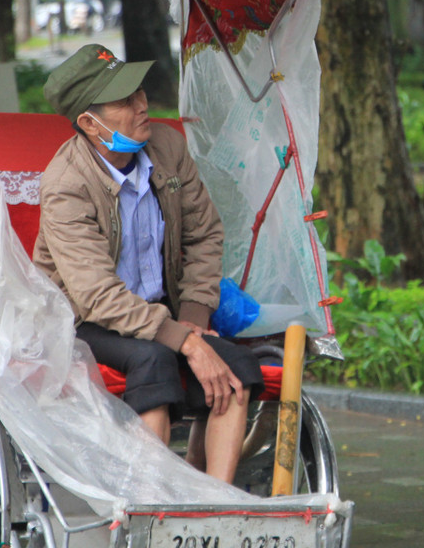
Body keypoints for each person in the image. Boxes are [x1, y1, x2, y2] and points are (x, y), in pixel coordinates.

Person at [33, 44, 262, 483]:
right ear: (89, 123)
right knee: (154, 360)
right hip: (86, 321)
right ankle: (150, 503)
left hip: (164, 313)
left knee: (235, 369)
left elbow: (204, 233)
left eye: (140, 93)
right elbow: (96, 296)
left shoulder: (167, 147)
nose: (143, 106)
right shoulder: (66, 183)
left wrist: (194, 320)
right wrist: (187, 343)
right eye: (125, 101)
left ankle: (212, 497)